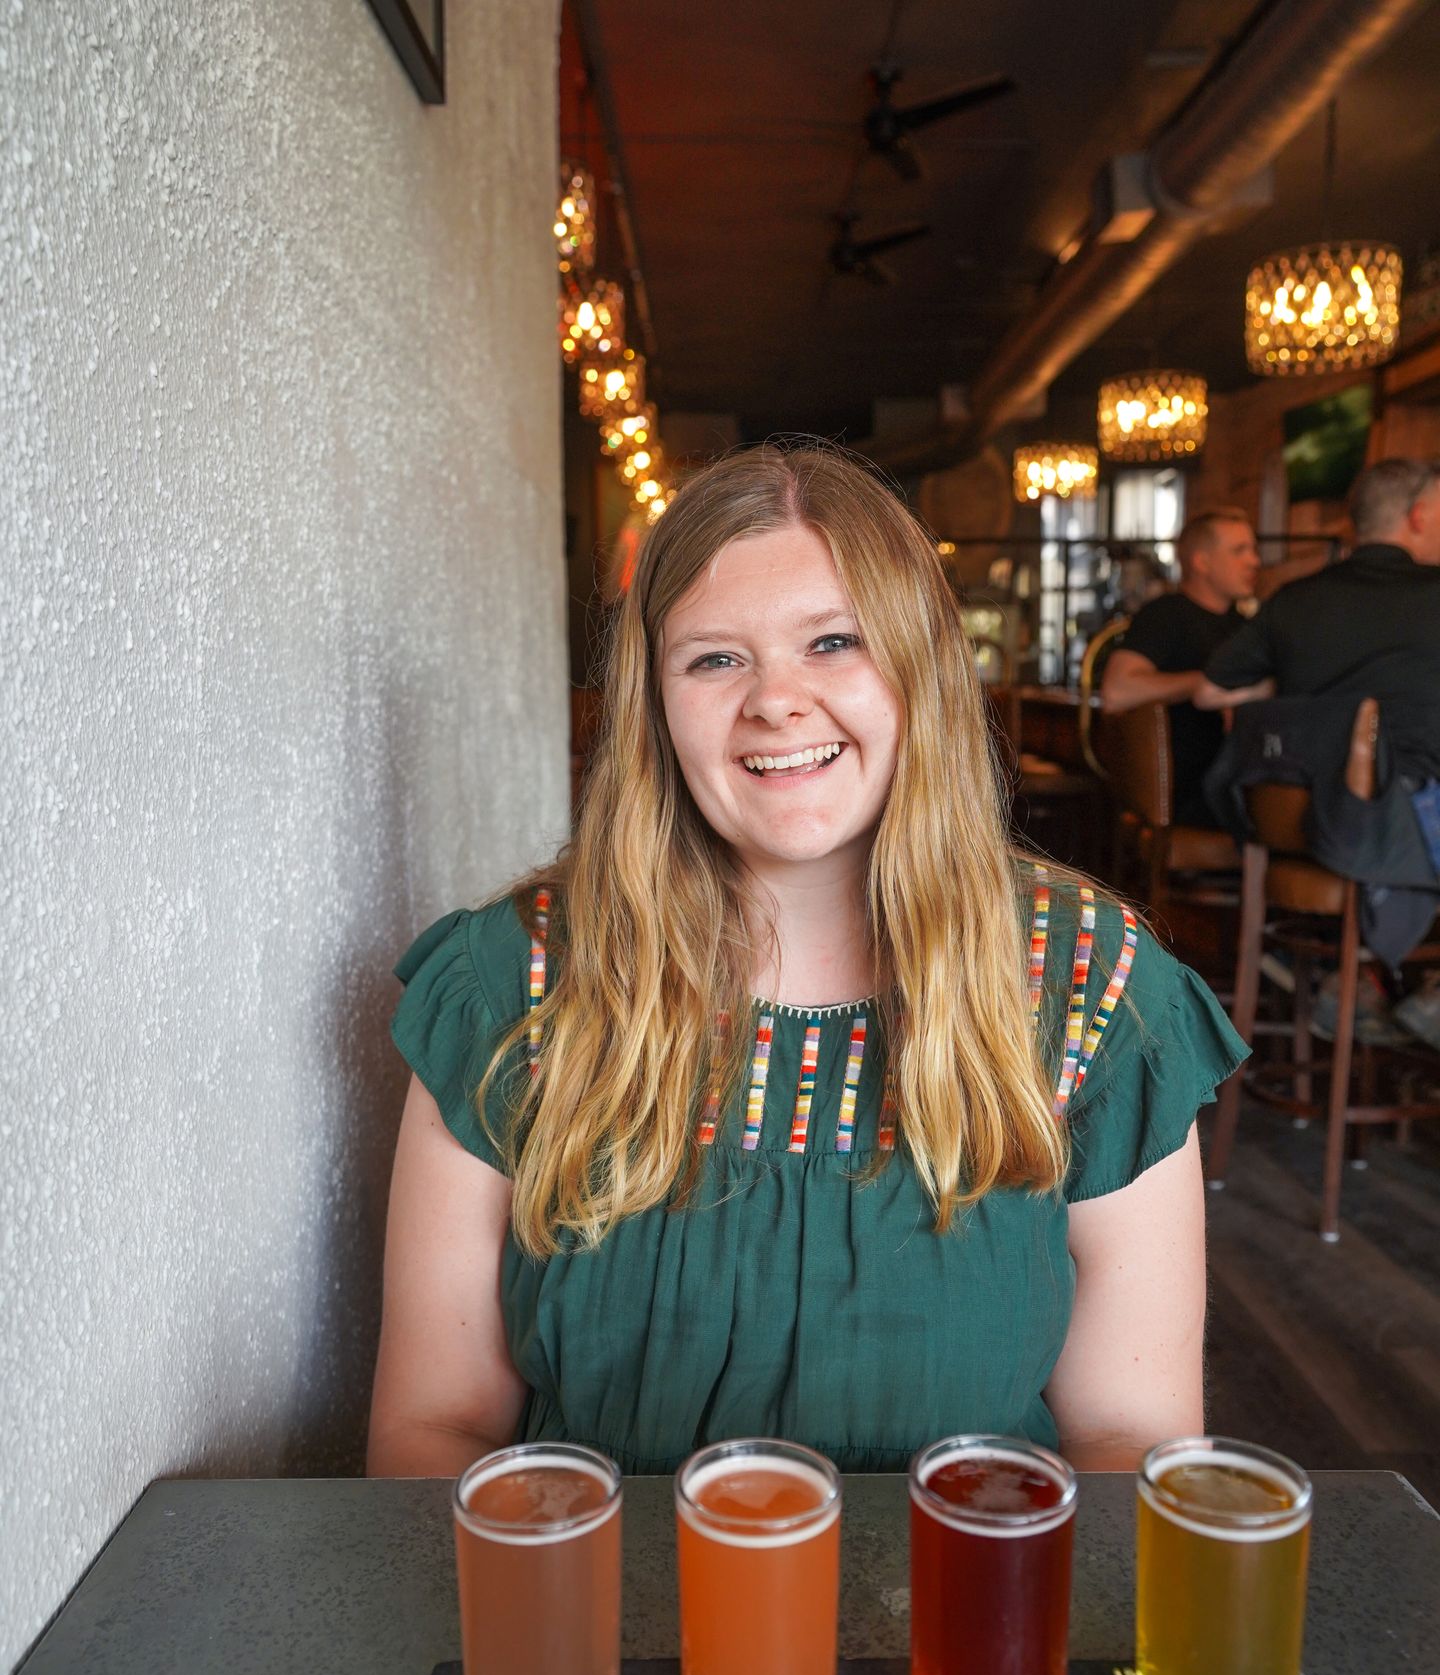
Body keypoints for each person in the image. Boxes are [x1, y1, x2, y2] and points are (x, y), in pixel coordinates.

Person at [367, 446, 1245, 1483]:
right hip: (603, 1627)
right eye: (714, 659)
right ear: (653, 704)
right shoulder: (512, 979)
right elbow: (434, 1429)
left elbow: (1124, 1436)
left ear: (920, 664)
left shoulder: (1090, 982)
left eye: (833, 642)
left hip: (967, 1625)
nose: (777, 702)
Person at [1197, 459, 1440, 1045]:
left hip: (1297, 829)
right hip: (1388, 820)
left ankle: (1356, 976)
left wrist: (1274, 691)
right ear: (1419, 517)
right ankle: (1414, 989)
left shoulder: (1295, 600)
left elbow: (1211, 689)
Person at [1099, 509, 1259, 827]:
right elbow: (1115, 691)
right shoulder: (1167, 616)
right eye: (1239, 551)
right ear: (1201, 562)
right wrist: (1206, 684)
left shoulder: (1246, 627)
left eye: (1253, 550)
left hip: (1239, 779)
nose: (1254, 561)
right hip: (1192, 795)